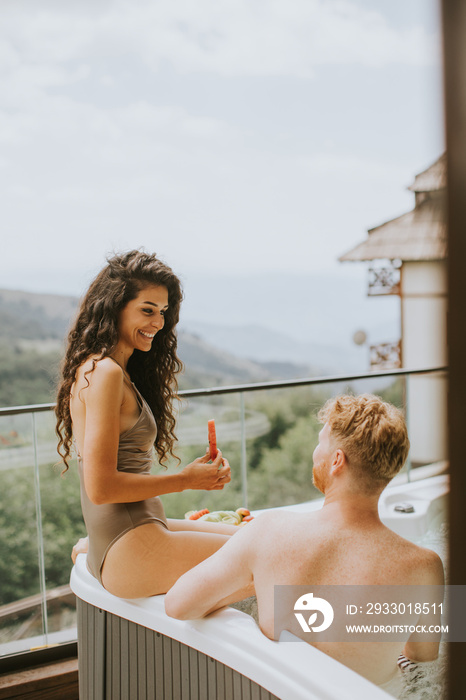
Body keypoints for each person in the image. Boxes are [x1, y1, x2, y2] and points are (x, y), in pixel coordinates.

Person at [164, 394, 444, 691]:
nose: (315, 453)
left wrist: (259, 580)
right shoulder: (425, 566)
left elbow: (178, 605)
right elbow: (423, 660)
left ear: (337, 460)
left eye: (321, 442)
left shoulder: (269, 532)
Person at [56, 250, 253, 601]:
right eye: (147, 310)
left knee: (259, 538)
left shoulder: (102, 369)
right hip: (132, 549)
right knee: (273, 559)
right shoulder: (105, 374)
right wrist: (187, 480)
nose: (158, 323)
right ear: (115, 306)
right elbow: (100, 488)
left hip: (133, 535)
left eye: (163, 312)